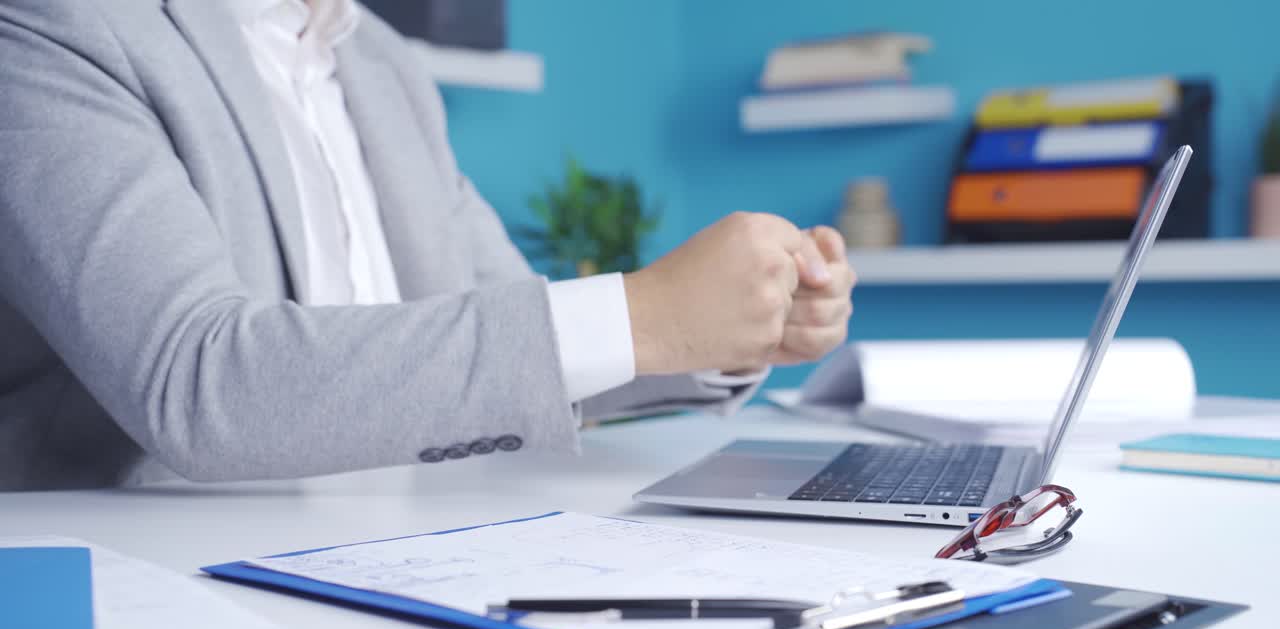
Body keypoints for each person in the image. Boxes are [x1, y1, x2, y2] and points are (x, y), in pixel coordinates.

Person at [0, 0, 856, 491]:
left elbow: (514, 344)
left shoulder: (385, 62)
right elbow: (198, 380)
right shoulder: (53, 25)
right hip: (156, 596)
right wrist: (646, 315)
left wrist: (721, 333)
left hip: (396, 553)